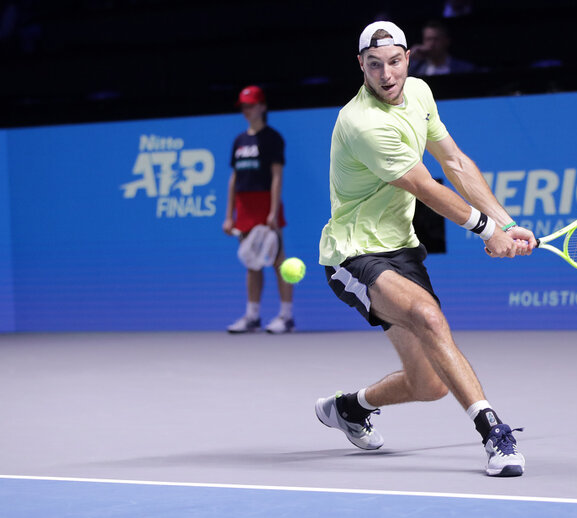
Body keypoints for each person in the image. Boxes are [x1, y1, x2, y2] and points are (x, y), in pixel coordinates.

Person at [316, 21, 536, 477]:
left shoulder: (419, 93)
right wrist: (484, 230)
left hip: (402, 249)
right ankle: (493, 431)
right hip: (354, 253)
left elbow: (454, 161)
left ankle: (349, 409)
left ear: (408, 58)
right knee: (431, 318)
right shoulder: (360, 122)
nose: (386, 74)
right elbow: (424, 186)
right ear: (361, 66)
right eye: (373, 65)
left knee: (429, 383)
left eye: (394, 62)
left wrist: (507, 224)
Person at [223, 85, 295, 334]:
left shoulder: (272, 138)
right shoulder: (239, 141)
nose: (247, 110)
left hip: (266, 203)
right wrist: (228, 215)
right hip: (244, 206)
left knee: (277, 261)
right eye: (243, 106)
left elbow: (276, 176)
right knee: (251, 261)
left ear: (262, 107)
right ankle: (252, 316)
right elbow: (234, 179)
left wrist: (273, 211)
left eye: (251, 105)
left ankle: (286, 316)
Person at [408, 19, 478, 76]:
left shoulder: (465, 69)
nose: (432, 44)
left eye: (436, 39)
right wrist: (410, 58)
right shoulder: (415, 69)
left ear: (446, 41)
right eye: (428, 39)